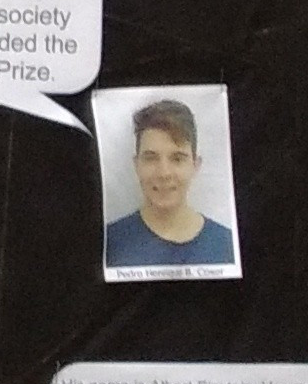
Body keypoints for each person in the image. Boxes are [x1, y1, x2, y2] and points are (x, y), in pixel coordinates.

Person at [99, 98, 235, 271]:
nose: (164, 173)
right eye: (151, 158)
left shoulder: (227, 245)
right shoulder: (108, 244)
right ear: (136, 164)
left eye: (177, 159)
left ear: (195, 165)